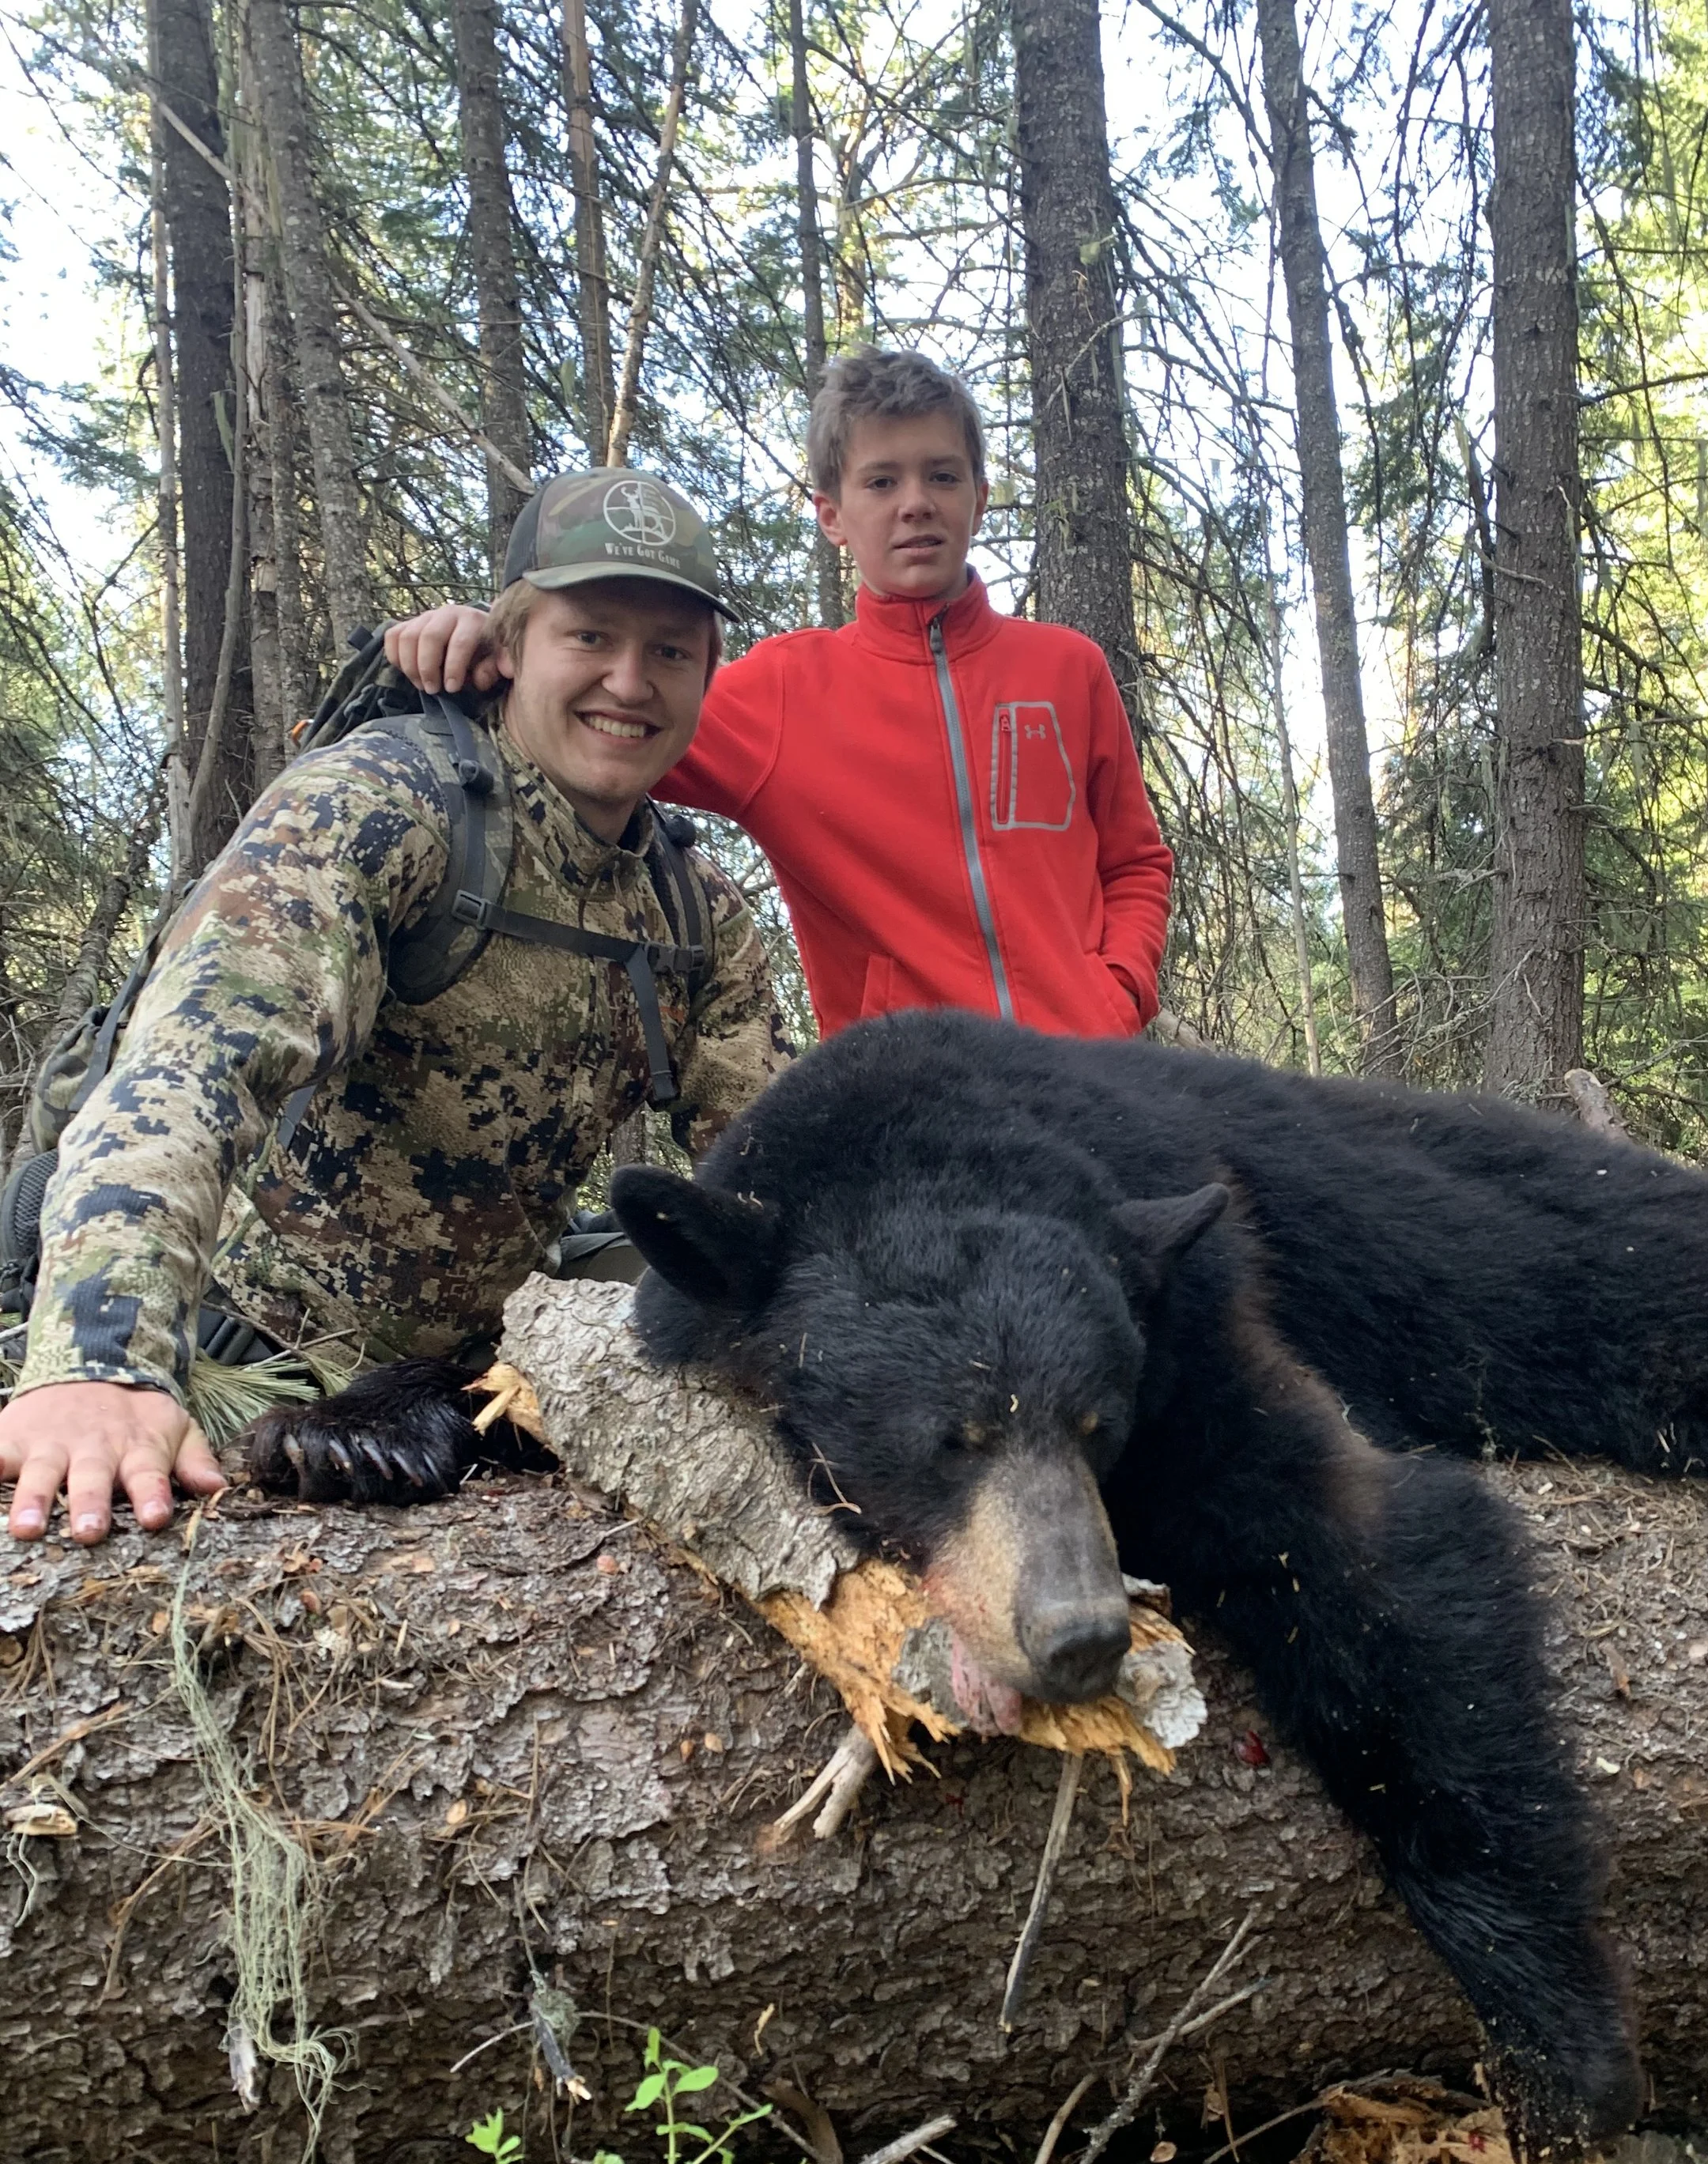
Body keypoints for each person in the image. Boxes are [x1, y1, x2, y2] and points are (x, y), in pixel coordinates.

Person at [2, 470, 790, 1546]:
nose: (629, 680)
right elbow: (188, 1069)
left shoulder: (694, 911)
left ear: (707, 675)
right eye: (590, 636)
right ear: (512, 643)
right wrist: (101, 1366)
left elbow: (775, 1173)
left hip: (459, 1371)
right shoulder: (381, 808)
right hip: (246, 1339)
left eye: (669, 652)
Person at [386, 349, 1172, 1040]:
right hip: (908, 1106)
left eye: (942, 474)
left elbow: (1135, 862)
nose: (915, 503)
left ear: (980, 494)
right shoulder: (784, 692)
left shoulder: (1067, 670)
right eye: (881, 480)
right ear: (832, 514)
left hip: (1088, 1076)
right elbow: (590, 730)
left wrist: (1118, 995)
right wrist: (485, 644)